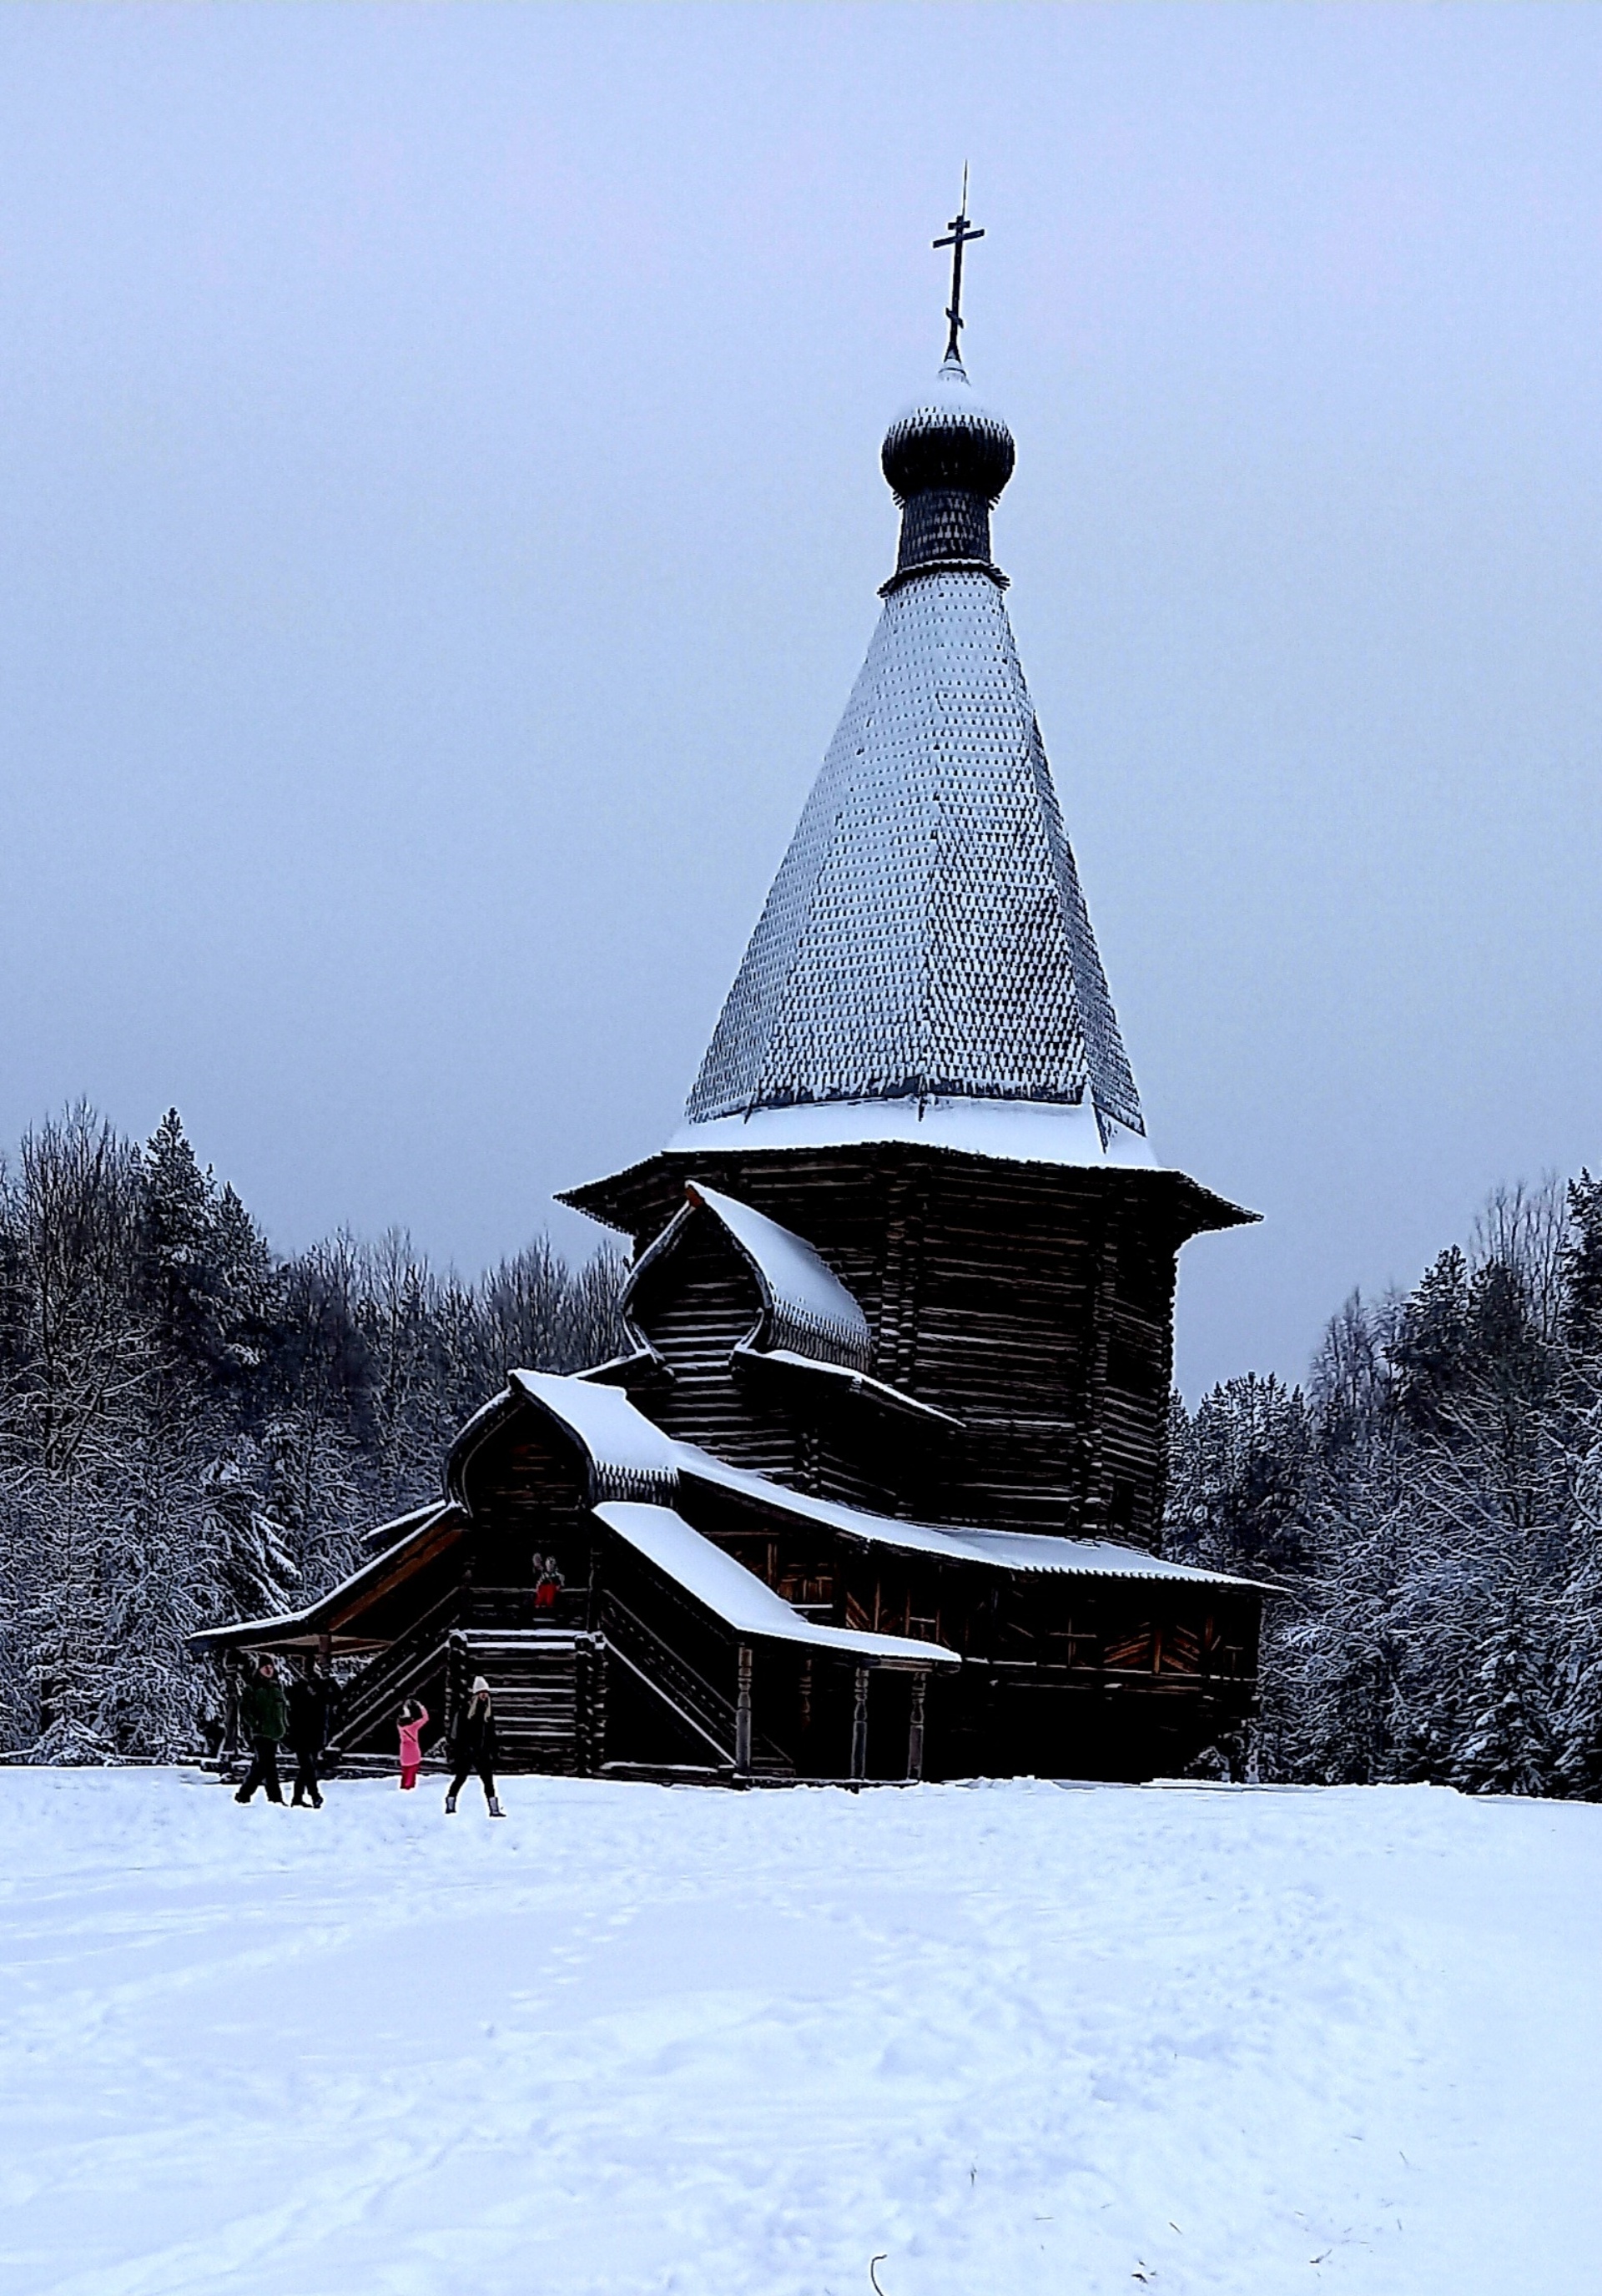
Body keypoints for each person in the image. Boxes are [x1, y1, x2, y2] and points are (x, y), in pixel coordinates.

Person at [445, 1676, 503, 1817]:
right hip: (467, 1752)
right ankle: (450, 1803)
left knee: (488, 1780)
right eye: (482, 1693)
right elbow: (458, 1733)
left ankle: (494, 1809)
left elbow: (491, 1733)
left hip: (482, 1752)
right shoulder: (465, 1711)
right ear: (476, 1695)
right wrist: (462, 1749)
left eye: (486, 1693)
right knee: (460, 1778)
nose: (485, 1696)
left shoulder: (487, 1713)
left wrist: (494, 1751)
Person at [234, 1655, 288, 1805]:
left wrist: (285, 1726)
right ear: (259, 1669)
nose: (269, 1670)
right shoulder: (253, 1688)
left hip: (275, 1732)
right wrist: (256, 1724)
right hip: (261, 1733)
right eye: (265, 1667)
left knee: (263, 1766)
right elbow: (245, 1709)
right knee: (267, 1766)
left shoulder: (277, 1687)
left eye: (271, 1667)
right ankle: (273, 1798)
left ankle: (245, 1794)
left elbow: (282, 1709)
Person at [287, 1659, 334, 1809]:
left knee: (307, 1767)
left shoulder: (321, 1686)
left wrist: (328, 1683)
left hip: (316, 1733)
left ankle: (297, 1798)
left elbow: (333, 1698)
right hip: (300, 1733)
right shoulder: (296, 1688)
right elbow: (292, 1707)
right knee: (307, 1766)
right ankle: (314, 1795)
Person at [396, 1696, 428, 1790]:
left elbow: (403, 1716)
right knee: (411, 1774)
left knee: (405, 1773)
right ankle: (408, 1790)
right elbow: (425, 1718)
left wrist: (405, 1707)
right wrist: (420, 1706)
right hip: (414, 1753)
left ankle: (402, 1789)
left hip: (404, 1753)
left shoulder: (400, 1727)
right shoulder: (414, 1727)